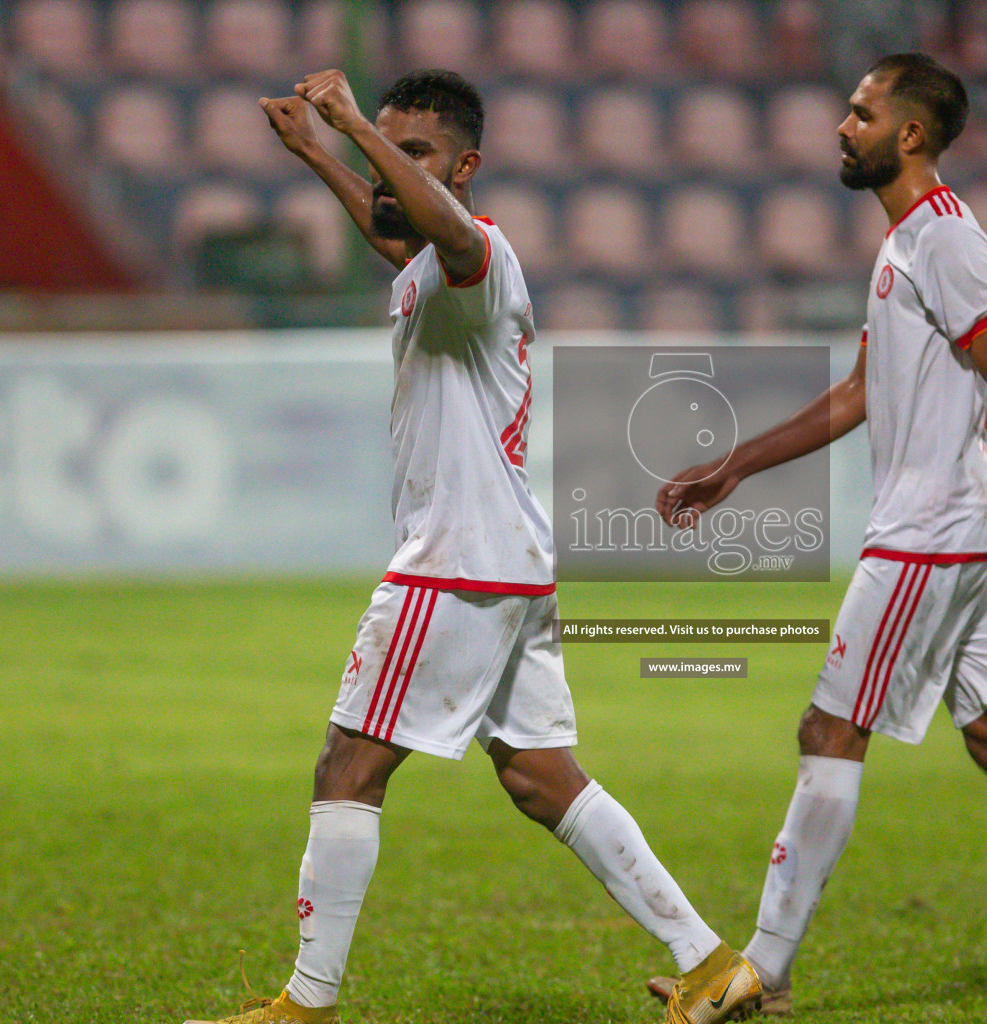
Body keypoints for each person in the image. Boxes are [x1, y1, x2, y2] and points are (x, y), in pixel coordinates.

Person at [183, 68, 763, 1024]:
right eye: (394, 151)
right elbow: (393, 231)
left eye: (417, 155)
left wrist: (357, 129)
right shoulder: (425, 262)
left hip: (455, 561)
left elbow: (439, 226)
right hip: (509, 563)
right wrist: (321, 155)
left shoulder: (478, 249)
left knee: (347, 767)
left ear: (467, 167)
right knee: (543, 778)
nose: (393, 171)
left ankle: (308, 1003)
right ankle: (711, 964)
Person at [647, 53, 987, 1018]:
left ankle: (760, 970)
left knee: (829, 728)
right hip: (961, 530)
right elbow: (856, 393)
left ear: (909, 134)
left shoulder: (947, 240)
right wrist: (736, 467)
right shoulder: (903, 246)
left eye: (860, 113)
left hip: (931, 534)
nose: (842, 126)